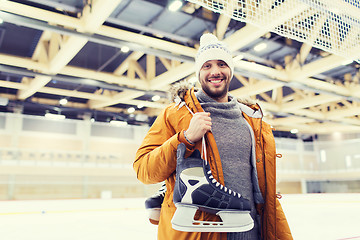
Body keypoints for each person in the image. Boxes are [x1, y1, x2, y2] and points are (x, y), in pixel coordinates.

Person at [134, 33, 292, 240]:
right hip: (203, 231)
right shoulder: (175, 114)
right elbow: (144, 171)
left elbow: (262, 186)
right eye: (207, 66)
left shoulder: (251, 120)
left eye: (221, 64)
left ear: (230, 71)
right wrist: (185, 138)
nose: (215, 71)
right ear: (198, 72)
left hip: (250, 228)